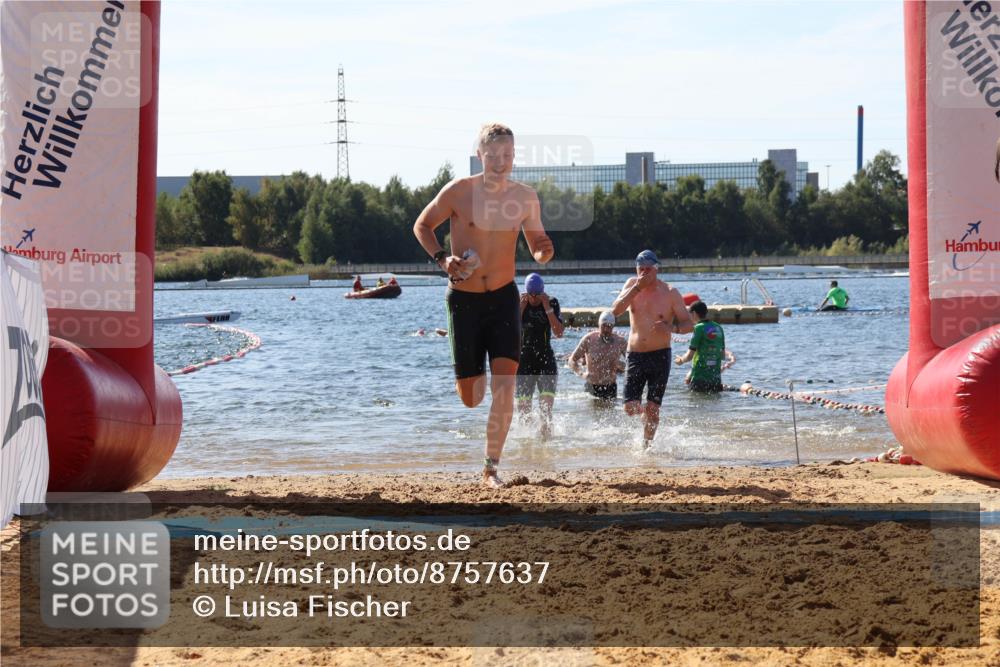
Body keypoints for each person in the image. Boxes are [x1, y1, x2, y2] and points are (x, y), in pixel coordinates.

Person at [413, 123, 554, 488]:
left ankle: (491, 468)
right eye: (492, 156)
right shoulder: (459, 192)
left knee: (505, 386)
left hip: (504, 299)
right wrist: (443, 259)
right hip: (464, 301)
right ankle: (469, 381)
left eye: (507, 156)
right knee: (472, 397)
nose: (500, 162)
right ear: (480, 156)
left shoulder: (524, 197)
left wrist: (542, 250)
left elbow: (536, 238)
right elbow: (422, 225)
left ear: (513, 156)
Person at [611, 250, 694, 445]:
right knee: (630, 408)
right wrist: (636, 288)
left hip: (660, 355)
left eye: (648, 269)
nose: (644, 274)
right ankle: (643, 414)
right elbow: (615, 310)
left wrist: (671, 328)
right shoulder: (632, 285)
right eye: (641, 269)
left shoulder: (670, 292)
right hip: (635, 355)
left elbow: (688, 325)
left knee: (654, 409)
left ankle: (646, 447)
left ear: (656, 269)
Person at [516, 273, 564, 439]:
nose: (534, 299)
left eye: (538, 295)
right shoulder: (519, 303)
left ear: (543, 292)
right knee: (523, 408)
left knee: (546, 407)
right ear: (526, 292)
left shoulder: (551, 302)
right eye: (531, 295)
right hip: (524, 359)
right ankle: (527, 443)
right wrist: (520, 309)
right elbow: (509, 334)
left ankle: (546, 443)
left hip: (545, 358)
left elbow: (559, 333)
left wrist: (547, 308)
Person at [568, 310, 627, 402]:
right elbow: (572, 360)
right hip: (591, 386)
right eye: (604, 326)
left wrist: (620, 365)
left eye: (609, 326)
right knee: (590, 415)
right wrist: (582, 374)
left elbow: (632, 364)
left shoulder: (620, 342)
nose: (606, 329)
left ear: (613, 326)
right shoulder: (589, 339)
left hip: (610, 387)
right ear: (599, 325)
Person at [674, 301, 729, 393]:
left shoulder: (699, 328)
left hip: (699, 378)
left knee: (696, 404)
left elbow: (689, 356)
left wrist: (680, 360)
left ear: (694, 313)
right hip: (715, 379)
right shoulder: (718, 327)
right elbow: (722, 355)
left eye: (690, 314)